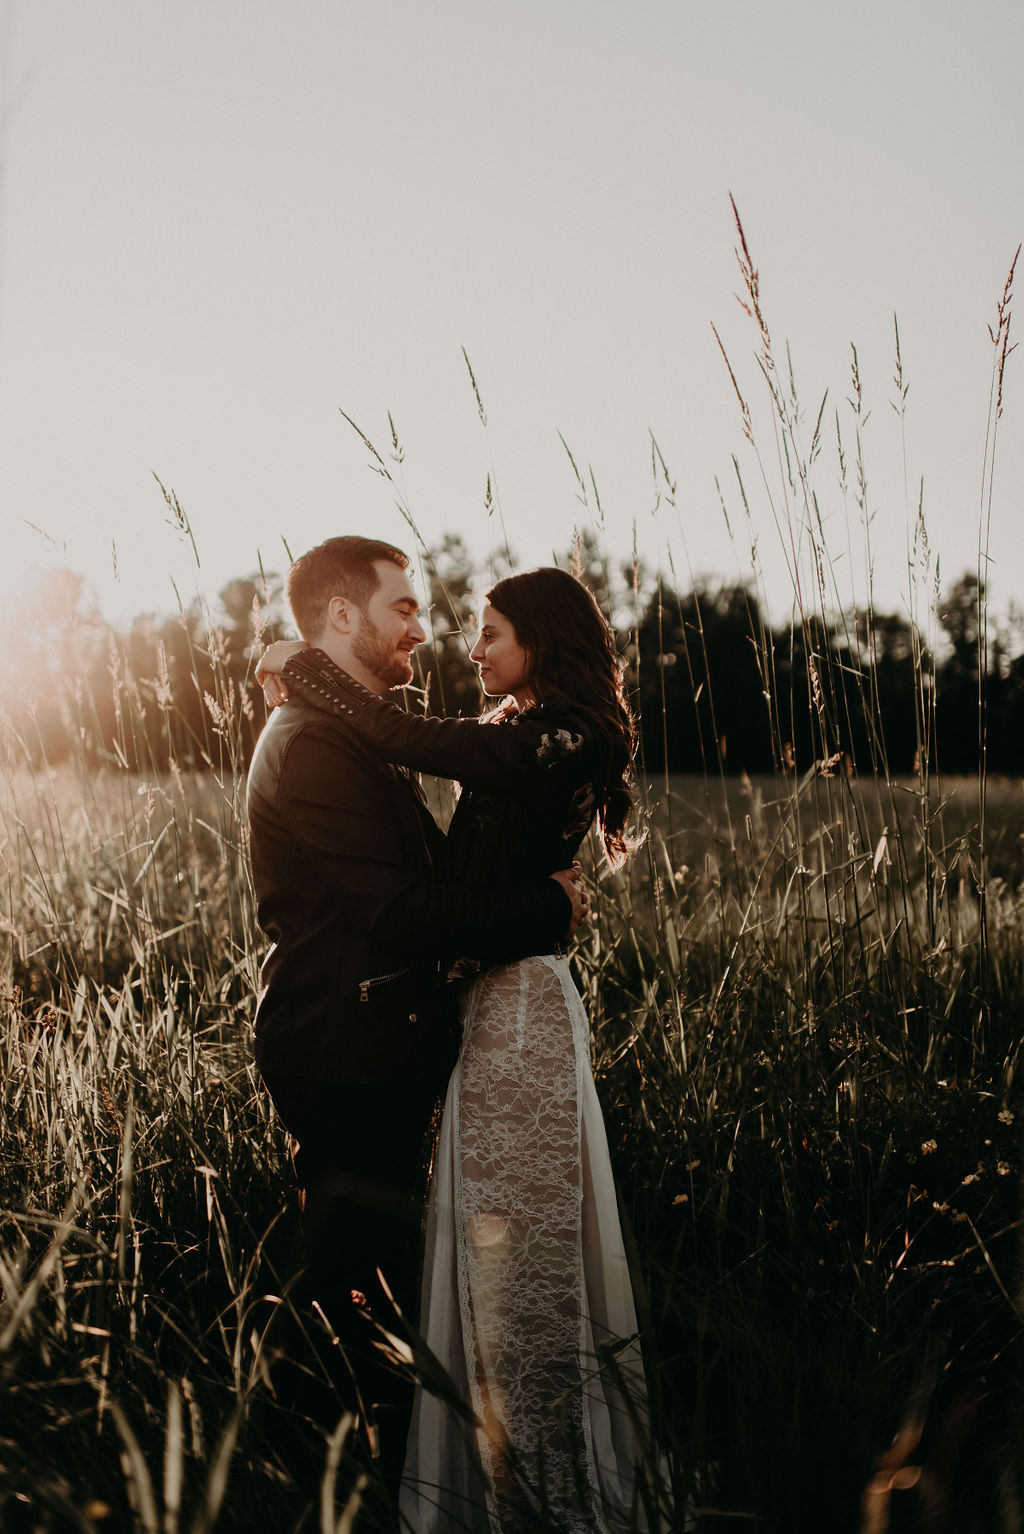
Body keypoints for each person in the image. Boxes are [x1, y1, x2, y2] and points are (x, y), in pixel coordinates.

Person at [259, 564, 650, 1533]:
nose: (464, 650)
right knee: (483, 1241)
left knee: (519, 1250)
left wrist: (300, 665)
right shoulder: (521, 733)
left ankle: (539, 1480)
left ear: (543, 640)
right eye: (435, 620)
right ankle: (463, 1468)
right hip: (481, 1010)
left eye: (489, 634)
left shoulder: (555, 737)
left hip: (517, 1009)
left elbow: (399, 736)